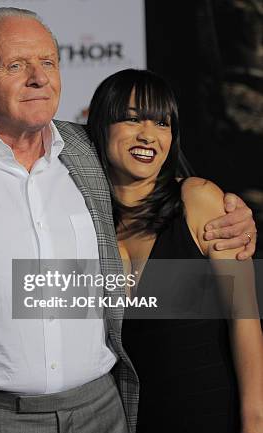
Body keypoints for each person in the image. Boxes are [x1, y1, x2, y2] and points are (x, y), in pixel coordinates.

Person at [0, 7, 258, 433]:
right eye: (16, 65)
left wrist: (232, 212)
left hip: (107, 409)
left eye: (47, 62)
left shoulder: (87, 152)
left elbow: (239, 309)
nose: (38, 77)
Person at [87, 68, 263, 432]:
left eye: (162, 124)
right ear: (101, 125)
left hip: (213, 413)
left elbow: (245, 321)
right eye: (132, 119)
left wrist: (255, 421)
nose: (148, 135)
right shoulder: (85, 219)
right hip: (129, 419)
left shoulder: (198, 199)